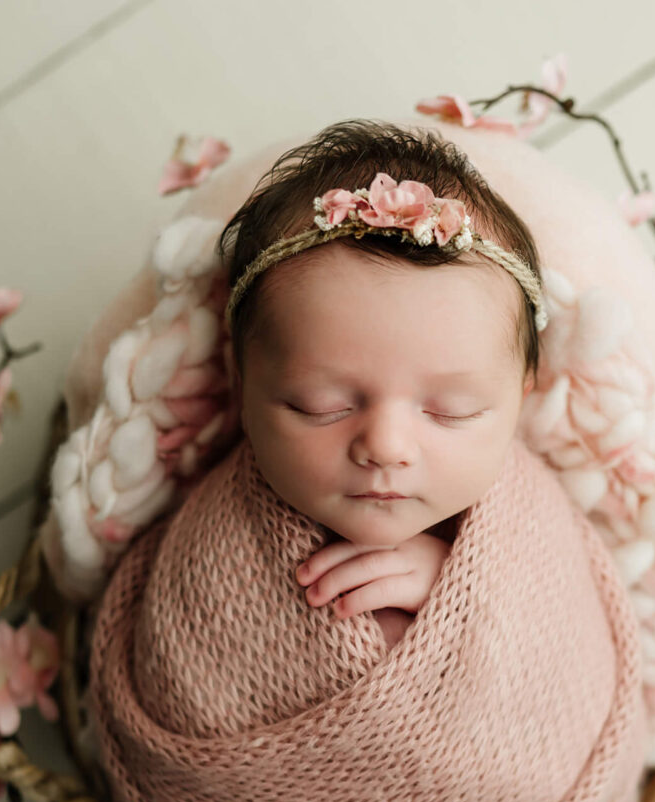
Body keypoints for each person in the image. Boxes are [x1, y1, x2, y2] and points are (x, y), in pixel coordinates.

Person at [216, 119, 547, 648]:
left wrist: (466, 590)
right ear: (242, 385)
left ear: (522, 395)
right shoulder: (215, 556)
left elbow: (573, 639)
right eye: (319, 404)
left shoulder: (537, 536)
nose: (386, 447)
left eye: (452, 409)